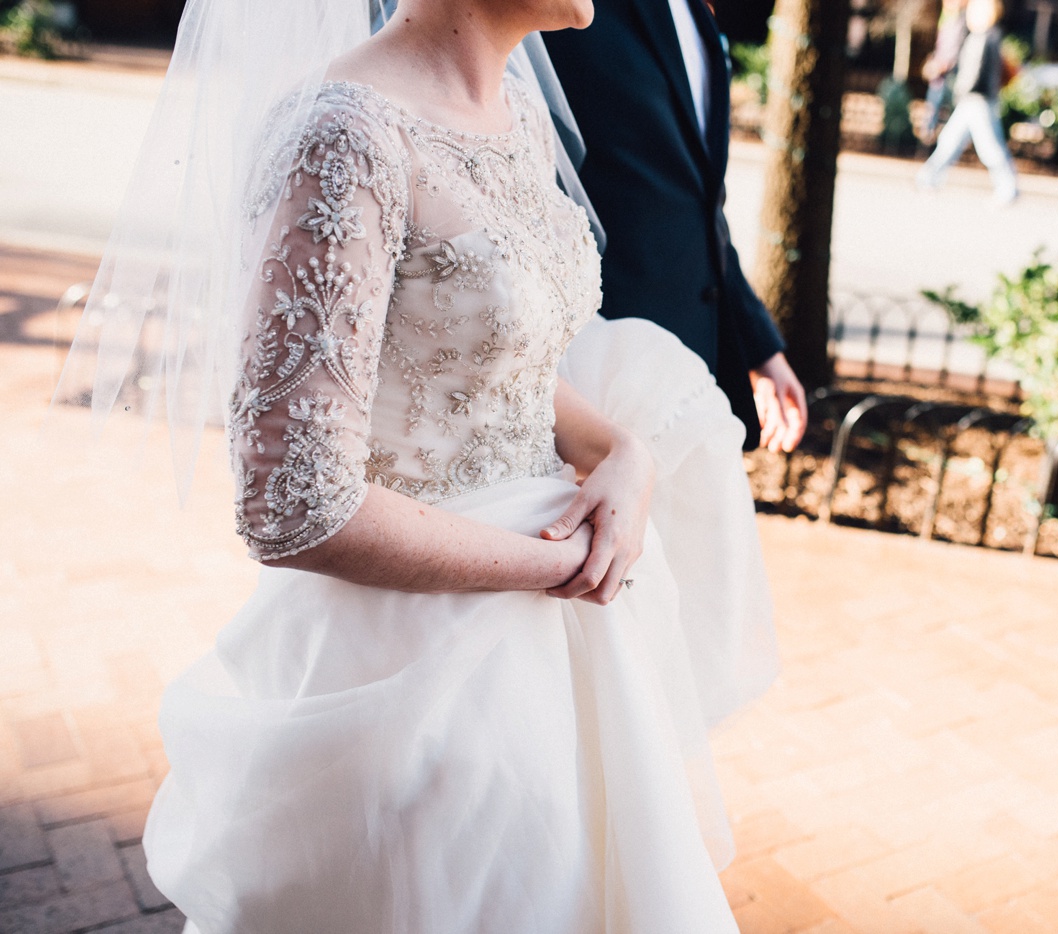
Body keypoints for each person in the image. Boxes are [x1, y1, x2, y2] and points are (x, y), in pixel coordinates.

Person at [55, 0, 779, 930]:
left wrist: (625, 454)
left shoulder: (515, 109)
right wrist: (558, 564)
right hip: (418, 682)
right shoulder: (343, 134)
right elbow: (295, 501)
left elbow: (494, 350)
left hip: (561, 653)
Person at [541, 0, 808, 454]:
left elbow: (698, 203)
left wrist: (759, 345)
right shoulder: (566, 13)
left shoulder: (695, 14)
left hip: (689, 373)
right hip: (597, 376)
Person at [914, 0, 1019, 205]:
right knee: (950, 140)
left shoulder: (986, 37)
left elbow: (977, 73)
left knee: (989, 147)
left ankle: (1008, 189)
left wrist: (962, 90)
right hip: (972, 99)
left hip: (977, 99)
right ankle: (928, 179)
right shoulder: (981, 37)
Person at [920, 0, 969, 143]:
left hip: (948, 73)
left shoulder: (960, 22)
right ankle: (930, 135)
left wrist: (943, 65)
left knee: (945, 107)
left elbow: (956, 50)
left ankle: (941, 138)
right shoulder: (947, 19)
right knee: (933, 106)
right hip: (938, 74)